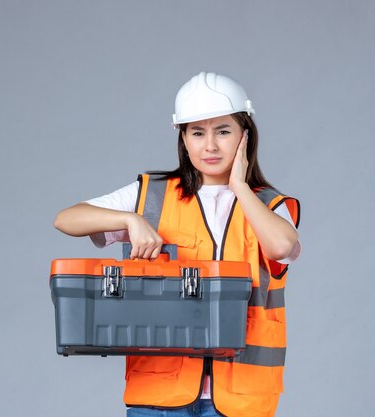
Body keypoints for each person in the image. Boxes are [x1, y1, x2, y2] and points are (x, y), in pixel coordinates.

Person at [53, 72, 301, 417]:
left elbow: (281, 248)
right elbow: (66, 219)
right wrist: (130, 220)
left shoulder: (269, 206)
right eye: (197, 132)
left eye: (223, 131)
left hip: (241, 399)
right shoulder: (151, 196)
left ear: (245, 136)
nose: (210, 146)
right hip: (159, 395)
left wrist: (241, 187)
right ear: (183, 138)